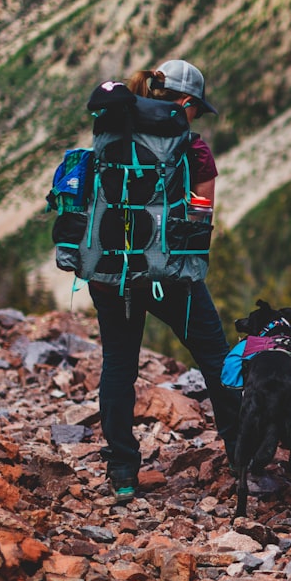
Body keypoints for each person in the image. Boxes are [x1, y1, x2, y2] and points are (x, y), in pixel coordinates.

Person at [89, 59, 241, 503]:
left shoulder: (110, 129)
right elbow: (201, 217)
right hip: (170, 276)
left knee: (118, 365)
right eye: (196, 108)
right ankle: (241, 456)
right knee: (216, 358)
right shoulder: (192, 148)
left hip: (110, 272)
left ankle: (121, 472)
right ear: (186, 102)